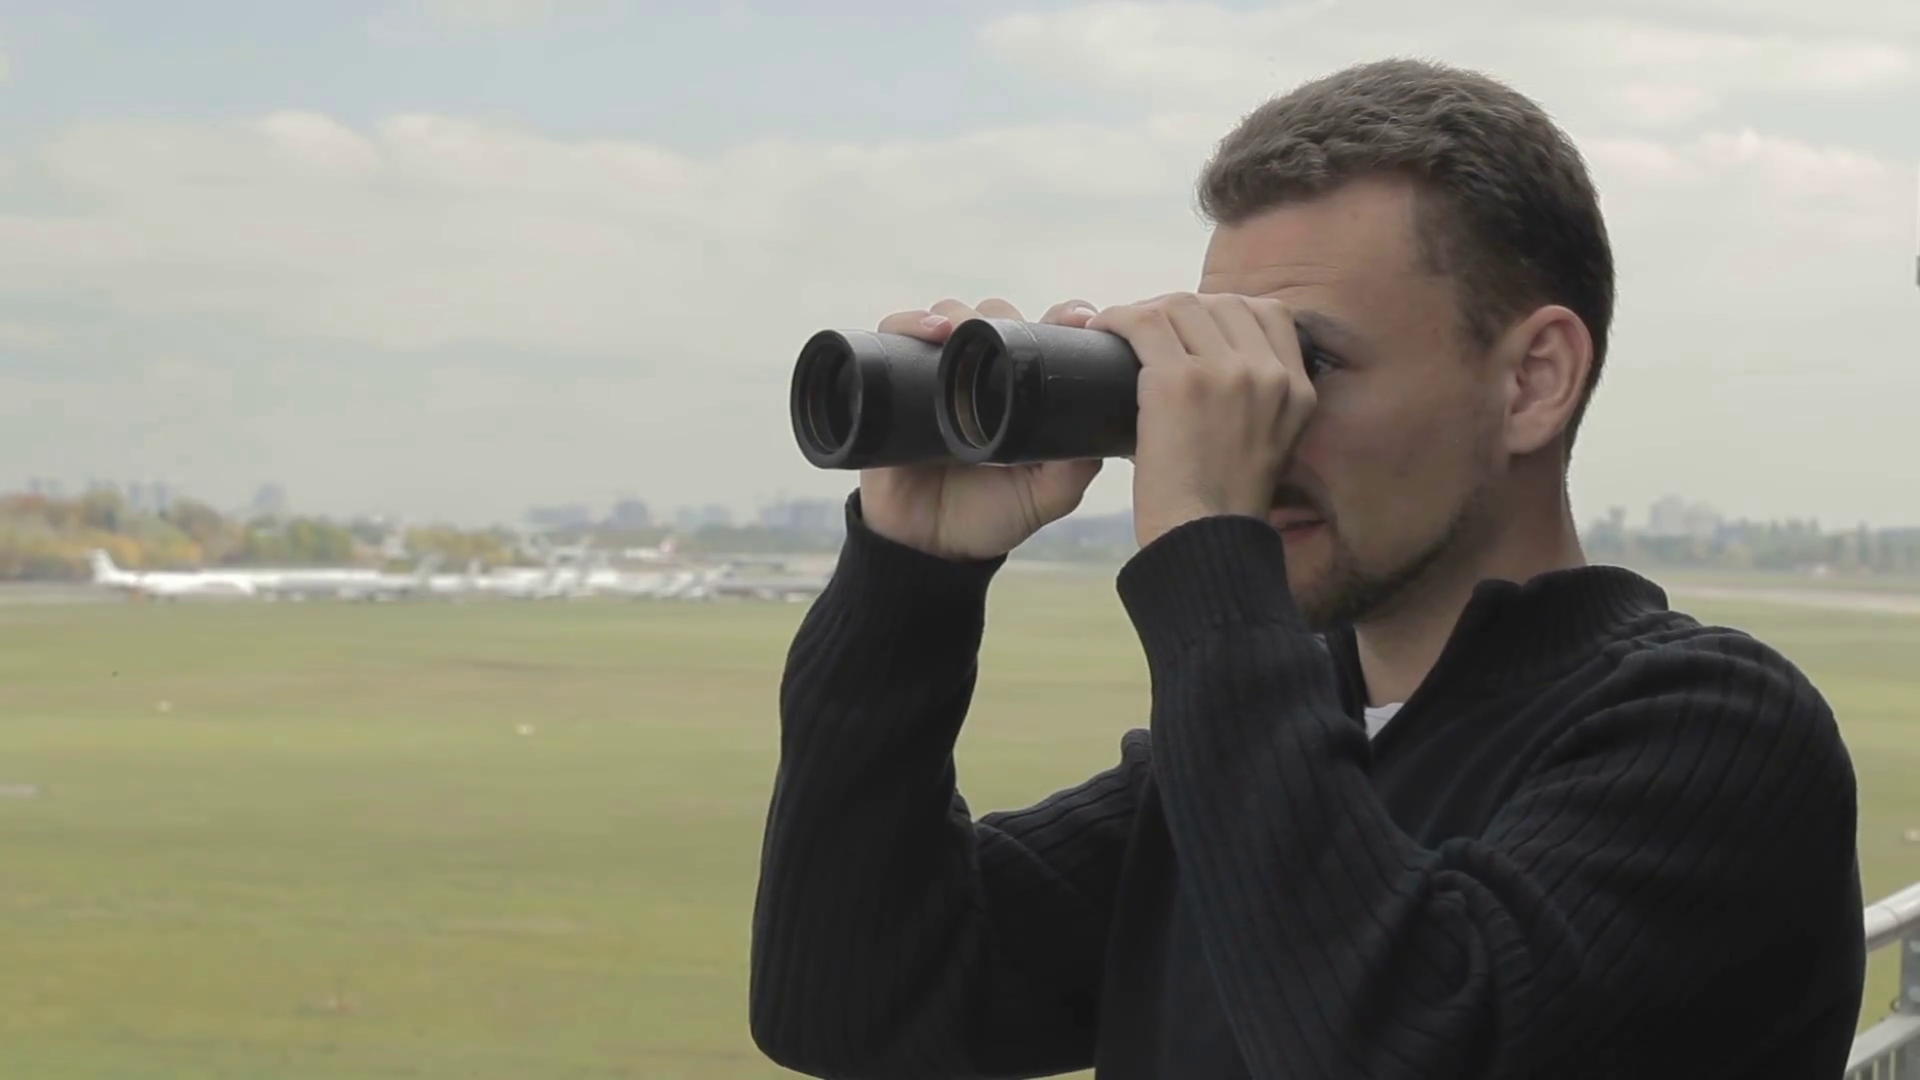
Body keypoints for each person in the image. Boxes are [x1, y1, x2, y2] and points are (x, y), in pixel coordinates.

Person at [747, 58, 1866, 1080]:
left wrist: (1205, 557)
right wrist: (909, 579)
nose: (1258, 421)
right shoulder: (1259, 761)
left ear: (1533, 380)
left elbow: (1392, 1039)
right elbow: (850, 1002)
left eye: (1307, 361)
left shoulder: (1711, 736)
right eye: (1228, 367)